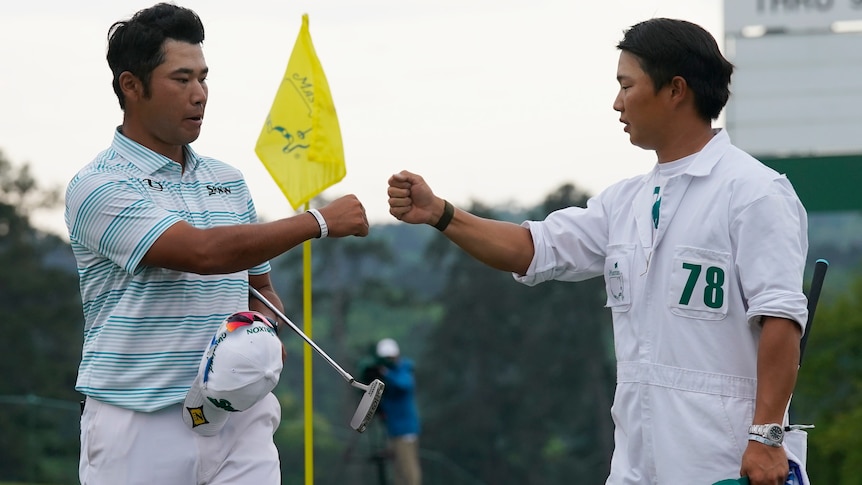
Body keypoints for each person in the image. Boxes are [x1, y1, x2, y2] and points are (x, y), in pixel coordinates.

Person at [387, 18, 810, 485]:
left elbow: (781, 320)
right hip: (636, 464)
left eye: (626, 85)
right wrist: (441, 213)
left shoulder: (754, 193)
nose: (617, 103)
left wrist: (767, 438)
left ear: (676, 90)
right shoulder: (624, 202)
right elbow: (532, 249)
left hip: (725, 461)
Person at [63, 3, 368, 484]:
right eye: (181, 80)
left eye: (204, 78)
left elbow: (257, 289)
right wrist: (318, 222)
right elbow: (202, 253)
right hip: (139, 421)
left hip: (239, 416)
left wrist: (262, 334)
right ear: (131, 86)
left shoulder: (229, 181)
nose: (200, 94)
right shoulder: (98, 185)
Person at [371, 338, 422, 485]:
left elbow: (404, 385)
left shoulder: (404, 369)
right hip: (393, 430)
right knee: (398, 470)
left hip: (405, 431)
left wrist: (386, 373)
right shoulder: (390, 374)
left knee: (409, 470)